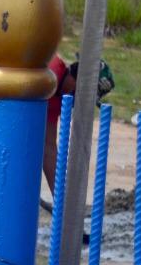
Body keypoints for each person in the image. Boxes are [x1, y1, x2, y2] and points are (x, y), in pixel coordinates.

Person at [43, 55, 115, 191]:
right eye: (85, 96)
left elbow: (49, 148)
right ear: (80, 82)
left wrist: (61, 199)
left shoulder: (58, 100)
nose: (80, 102)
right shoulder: (51, 72)